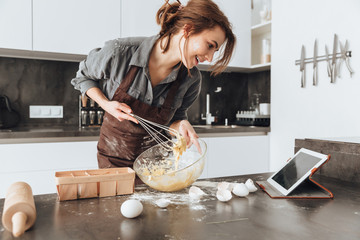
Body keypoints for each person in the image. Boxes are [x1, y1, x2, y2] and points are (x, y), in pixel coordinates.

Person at [71, 0, 235, 170]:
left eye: (214, 51)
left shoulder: (191, 79)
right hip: (113, 162)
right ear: (188, 29)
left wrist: (180, 125)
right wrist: (106, 104)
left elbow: (175, 119)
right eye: (210, 46)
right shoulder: (120, 51)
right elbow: (83, 77)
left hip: (159, 168)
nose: (209, 58)